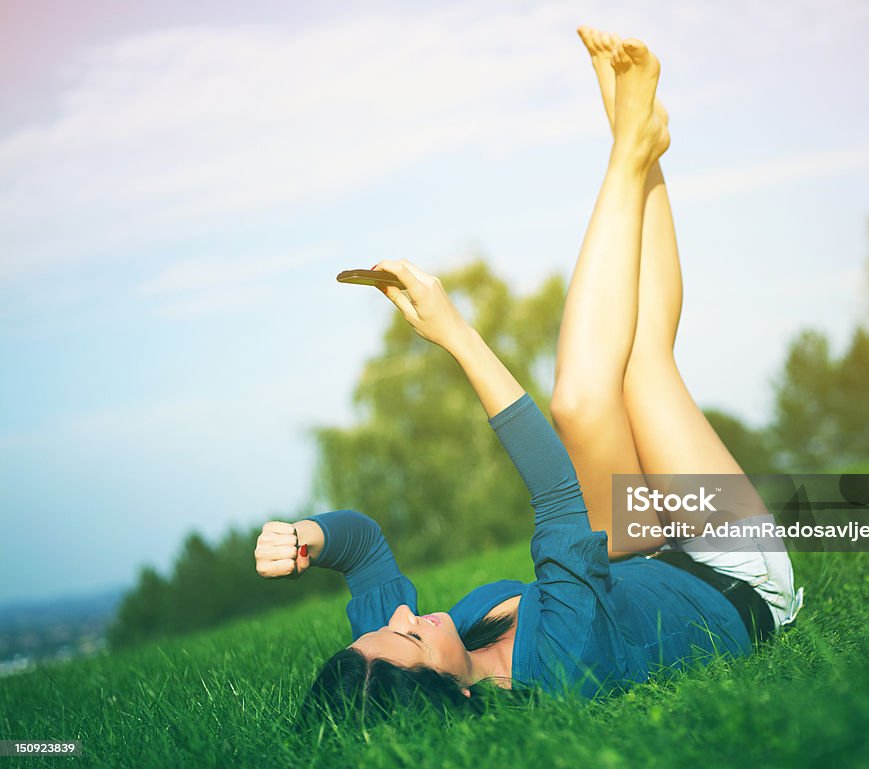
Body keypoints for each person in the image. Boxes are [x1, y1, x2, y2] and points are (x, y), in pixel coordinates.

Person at [253, 27, 803, 724]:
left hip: (641, 554)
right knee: (621, 377)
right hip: (734, 577)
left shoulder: (395, 651)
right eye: (409, 633)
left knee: (602, 389)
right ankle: (632, 146)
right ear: (452, 694)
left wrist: (307, 536)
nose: (403, 613)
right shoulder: (562, 663)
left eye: (385, 624)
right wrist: (455, 334)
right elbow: (555, 489)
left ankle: (639, 144)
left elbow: (362, 545)